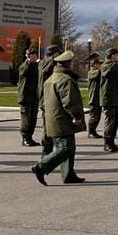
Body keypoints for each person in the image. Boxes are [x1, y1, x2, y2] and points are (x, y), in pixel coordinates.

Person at [31, 50, 86, 185]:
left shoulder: (51, 78)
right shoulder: (65, 79)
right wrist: (76, 115)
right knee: (65, 148)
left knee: (69, 148)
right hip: (63, 119)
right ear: (68, 64)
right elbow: (69, 100)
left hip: (54, 118)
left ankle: (68, 174)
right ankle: (41, 167)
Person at [37, 44, 61, 153]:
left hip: (48, 98)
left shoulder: (44, 62)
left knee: (50, 125)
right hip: (47, 98)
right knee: (48, 125)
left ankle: (49, 147)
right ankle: (46, 149)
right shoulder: (49, 62)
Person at [100, 48, 118, 152]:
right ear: (112, 56)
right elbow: (108, 71)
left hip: (116, 97)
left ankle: (112, 141)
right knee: (109, 121)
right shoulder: (105, 65)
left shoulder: (116, 66)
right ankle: (107, 143)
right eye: (116, 55)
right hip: (108, 98)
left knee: (115, 121)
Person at [17, 47, 40, 146]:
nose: (34, 56)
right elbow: (24, 72)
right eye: (31, 55)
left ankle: (30, 136)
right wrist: (30, 62)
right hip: (25, 96)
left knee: (33, 118)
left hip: (34, 95)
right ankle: (25, 137)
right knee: (26, 118)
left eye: (35, 55)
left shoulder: (36, 66)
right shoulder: (24, 65)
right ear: (28, 56)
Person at [85, 52, 104, 139]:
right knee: (93, 115)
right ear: (95, 65)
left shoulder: (99, 71)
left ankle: (94, 130)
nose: (101, 65)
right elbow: (98, 73)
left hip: (98, 97)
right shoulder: (91, 72)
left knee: (98, 115)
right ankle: (90, 131)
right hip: (93, 97)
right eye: (99, 64)